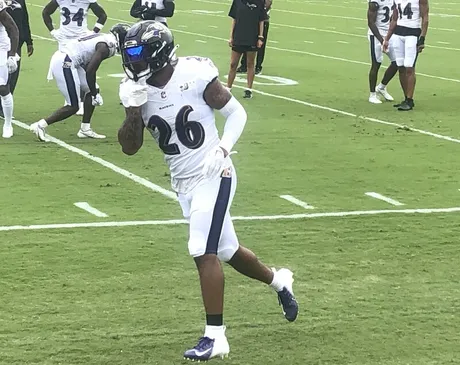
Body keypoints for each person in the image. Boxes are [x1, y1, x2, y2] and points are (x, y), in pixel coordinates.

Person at [116, 20, 298, 362]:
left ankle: (215, 336)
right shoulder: (134, 90)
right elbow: (130, 147)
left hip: (215, 172)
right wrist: (133, 111)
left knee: (201, 249)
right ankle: (279, 281)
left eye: (139, 58)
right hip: (183, 181)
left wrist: (223, 149)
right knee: (227, 250)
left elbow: (236, 113)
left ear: (158, 55)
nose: (134, 65)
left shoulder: (195, 74)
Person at [29, 27, 126, 141]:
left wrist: (93, 92)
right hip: (65, 61)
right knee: (73, 106)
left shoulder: (104, 38)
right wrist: (95, 95)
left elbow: (86, 61)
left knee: (92, 89)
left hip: (70, 59)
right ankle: (40, 125)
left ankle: (85, 129)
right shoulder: (106, 46)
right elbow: (90, 70)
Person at [42, 0, 107, 115]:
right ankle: (71, 98)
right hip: (65, 40)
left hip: (81, 39)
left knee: (83, 68)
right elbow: (46, 12)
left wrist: (93, 32)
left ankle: (82, 100)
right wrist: (53, 31)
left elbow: (102, 15)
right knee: (67, 68)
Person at [383, 0, 429, 111]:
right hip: (398, 33)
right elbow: (394, 19)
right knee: (401, 67)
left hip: (412, 34)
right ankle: (406, 98)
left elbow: (425, 18)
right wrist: (387, 38)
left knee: (409, 67)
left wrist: (422, 38)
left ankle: (410, 100)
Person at [227, 0, 267, 99]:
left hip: (252, 36)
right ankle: (228, 88)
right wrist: (231, 36)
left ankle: (249, 89)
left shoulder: (260, 2)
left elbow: (261, 20)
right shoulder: (238, 1)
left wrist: (260, 37)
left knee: (250, 63)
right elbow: (234, 19)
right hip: (239, 35)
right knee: (233, 64)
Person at [0, 0, 33, 119]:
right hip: (5, 42)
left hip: (14, 43)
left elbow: (24, 20)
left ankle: (4, 107)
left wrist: (29, 41)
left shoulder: (20, 1)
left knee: (11, 76)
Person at [367, 0, 398, 104]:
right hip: (376, 35)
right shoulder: (375, 2)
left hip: (389, 35)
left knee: (397, 62)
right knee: (376, 64)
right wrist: (382, 40)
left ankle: (381, 87)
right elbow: (371, 22)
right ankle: (372, 94)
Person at [0, 0, 20, 139]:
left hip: (0, 47)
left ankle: (7, 124)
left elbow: (13, 28)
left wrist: (12, 54)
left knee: (2, 87)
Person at [237, 0, 271, 75]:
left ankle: (258, 66)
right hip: (251, 19)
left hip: (262, 19)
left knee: (260, 44)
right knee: (247, 41)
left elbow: (268, 3)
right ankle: (244, 65)